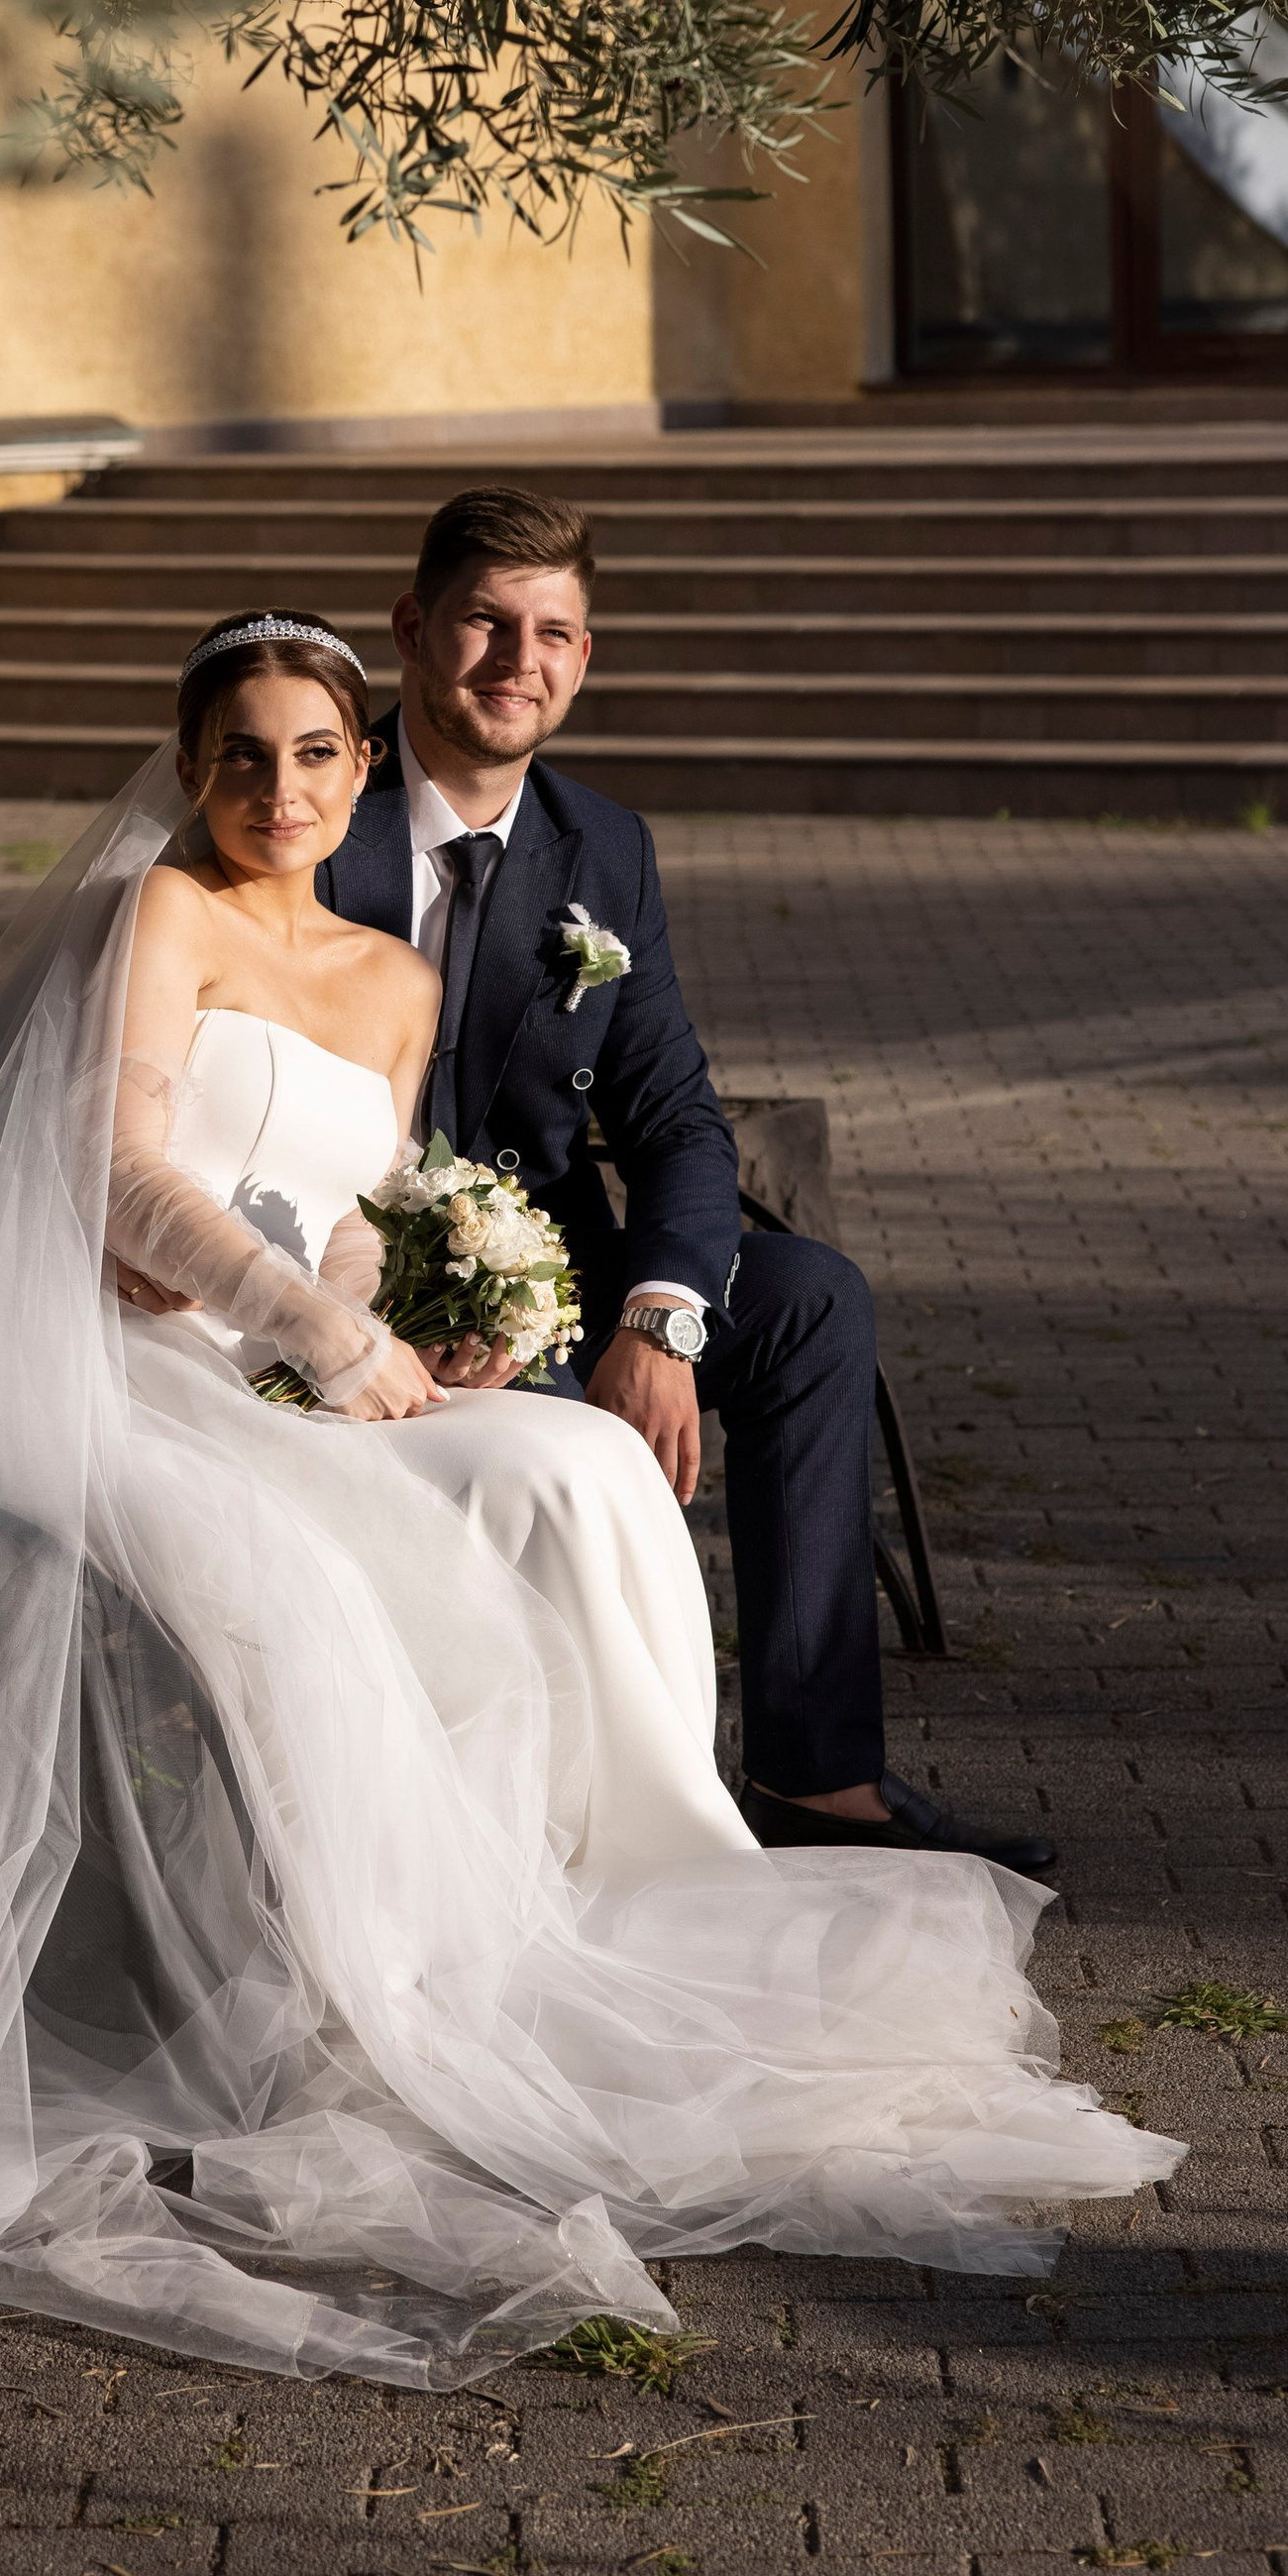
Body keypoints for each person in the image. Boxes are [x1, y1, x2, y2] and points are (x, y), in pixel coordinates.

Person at [0, 613, 1178, 2387]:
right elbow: (120, 1157)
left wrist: (445, 1316)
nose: (281, 788)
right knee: (319, 1579)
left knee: (580, 1460)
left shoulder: (391, 982)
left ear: (360, 761)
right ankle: (400, 1989)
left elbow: (362, 1208)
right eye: (243, 755)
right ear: (190, 769)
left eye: (315, 753)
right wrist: (308, 1321)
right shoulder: (164, 915)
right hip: (134, 1374)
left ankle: (656, 1871)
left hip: (304, 1364)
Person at [315, 483, 1051, 1873]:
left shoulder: (604, 849)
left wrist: (661, 1316)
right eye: (484, 621)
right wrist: (369, 1304)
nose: (517, 661)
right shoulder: (313, 810)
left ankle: (816, 1778)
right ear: (412, 629)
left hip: (558, 1277)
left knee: (809, 1299)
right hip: (345, 1290)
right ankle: (573, 1813)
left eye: (556, 633)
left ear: (585, 658)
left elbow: (679, 1122)